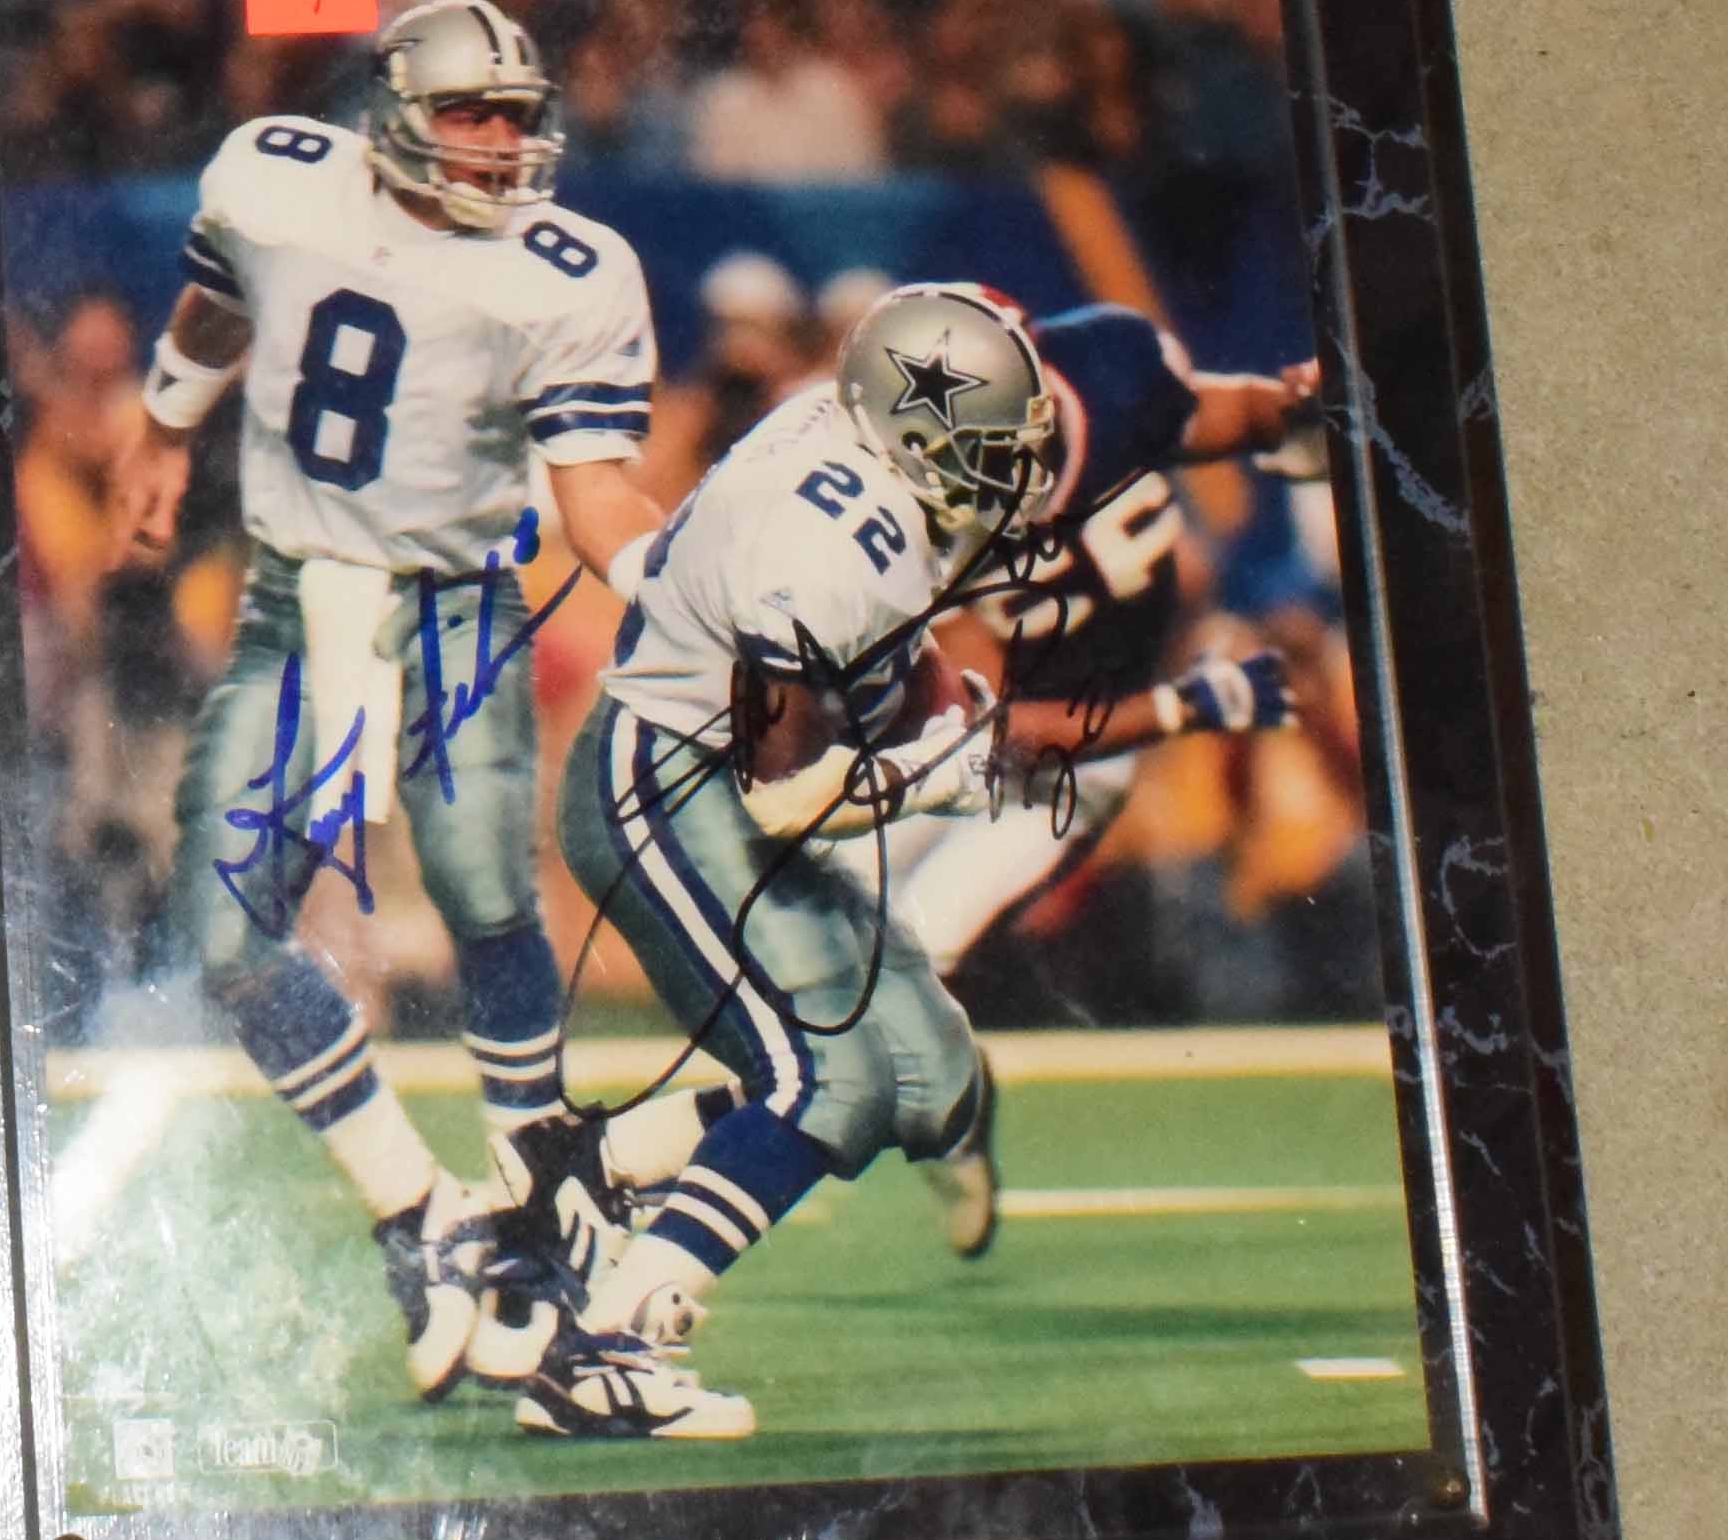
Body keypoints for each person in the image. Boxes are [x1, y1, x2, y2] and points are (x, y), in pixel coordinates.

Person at [534, 282, 1304, 1434]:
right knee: (837, 1080)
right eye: (996, 446)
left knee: (934, 1080)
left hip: (742, 757)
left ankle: (587, 1164)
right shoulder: (839, 560)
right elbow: (788, 794)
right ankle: (608, 1344)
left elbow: (890, 680)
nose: (1023, 468)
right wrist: (935, 768)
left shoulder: (860, 458)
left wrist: (946, 729)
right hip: (679, 787)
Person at [114, 0, 656, 1403]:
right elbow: (219, 297)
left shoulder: (569, 269)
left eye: (515, 117)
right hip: (301, 598)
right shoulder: (276, 179)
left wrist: (688, 590)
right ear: (395, 113)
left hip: (458, 602)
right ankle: (419, 1207)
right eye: (468, 112)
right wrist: (165, 422)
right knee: (224, 932)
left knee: (485, 891)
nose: (497, 142)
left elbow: (596, 492)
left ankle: (533, 1218)